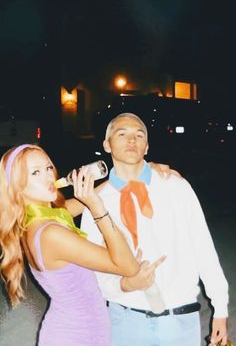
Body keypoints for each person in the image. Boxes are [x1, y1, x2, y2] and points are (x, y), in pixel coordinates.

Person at [81, 113, 229, 346]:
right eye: (122, 134)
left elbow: (203, 247)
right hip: (124, 321)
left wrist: (220, 307)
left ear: (147, 146)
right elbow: (90, 267)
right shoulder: (95, 201)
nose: (132, 140)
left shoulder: (176, 187)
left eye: (139, 135)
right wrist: (123, 284)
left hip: (179, 320)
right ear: (106, 145)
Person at [0, 143, 141, 346]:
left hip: (81, 328)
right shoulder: (51, 234)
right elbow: (129, 267)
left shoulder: (38, 219)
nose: (48, 177)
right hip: (77, 335)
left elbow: (77, 204)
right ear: (17, 187)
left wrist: (126, 176)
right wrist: (97, 207)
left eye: (48, 168)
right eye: (35, 173)